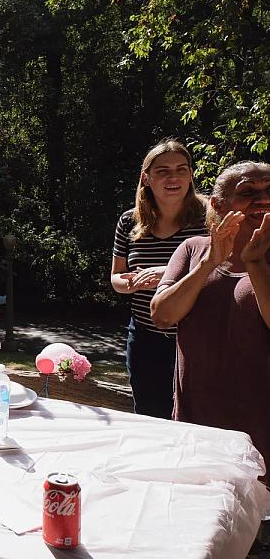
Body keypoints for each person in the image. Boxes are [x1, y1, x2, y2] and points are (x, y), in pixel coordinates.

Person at [151, 161, 270, 481]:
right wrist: (209, 262)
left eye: (269, 190)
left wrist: (256, 264)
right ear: (218, 204)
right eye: (248, 193)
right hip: (196, 428)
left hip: (262, 438)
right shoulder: (192, 250)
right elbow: (162, 314)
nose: (263, 199)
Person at [110, 140, 206, 418]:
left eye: (181, 169)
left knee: (196, 416)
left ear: (190, 175)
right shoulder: (129, 221)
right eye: (162, 171)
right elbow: (115, 277)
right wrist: (131, 283)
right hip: (144, 337)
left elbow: (220, 268)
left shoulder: (209, 218)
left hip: (196, 338)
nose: (173, 177)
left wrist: (167, 273)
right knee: (150, 414)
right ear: (146, 178)